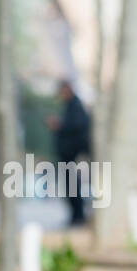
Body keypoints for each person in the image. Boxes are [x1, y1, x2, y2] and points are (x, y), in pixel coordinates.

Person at [46, 80, 92, 225]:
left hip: (71, 155)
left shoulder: (76, 106)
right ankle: (76, 216)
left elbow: (78, 126)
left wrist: (60, 125)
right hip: (67, 156)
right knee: (69, 187)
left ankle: (78, 216)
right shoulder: (70, 106)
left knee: (72, 187)